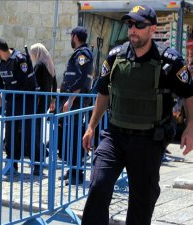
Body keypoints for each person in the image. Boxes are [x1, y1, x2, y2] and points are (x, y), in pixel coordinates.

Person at [82, 5, 193, 225]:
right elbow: (103, 93)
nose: (133, 29)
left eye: (139, 25)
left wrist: (190, 128)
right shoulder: (115, 57)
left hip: (149, 140)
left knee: (141, 204)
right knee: (97, 186)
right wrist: (91, 127)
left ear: (152, 29)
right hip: (114, 136)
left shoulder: (170, 62)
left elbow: (189, 95)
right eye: (130, 24)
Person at [0, 38, 40, 176]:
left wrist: (5, 97)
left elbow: (24, 84)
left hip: (27, 102)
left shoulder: (20, 59)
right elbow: (1, 85)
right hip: (12, 104)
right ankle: (12, 163)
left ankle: (37, 164)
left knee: (29, 133)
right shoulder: (1, 65)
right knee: (10, 134)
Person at [57, 26, 94, 185]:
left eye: (70, 37)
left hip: (76, 101)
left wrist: (71, 99)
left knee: (74, 135)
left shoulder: (82, 54)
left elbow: (82, 78)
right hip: (73, 100)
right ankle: (72, 169)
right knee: (70, 135)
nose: (70, 40)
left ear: (75, 37)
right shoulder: (80, 53)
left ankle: (76, 173)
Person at [30, 43, 57, 157]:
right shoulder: (50, 65)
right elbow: (55, 85)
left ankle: (38, 152)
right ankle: (40, 150)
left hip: (38, 100)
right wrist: (53, 100)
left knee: (34, 126)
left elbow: (34, 83)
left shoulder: (39, 65)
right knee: (38, 125)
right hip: (46, 100)